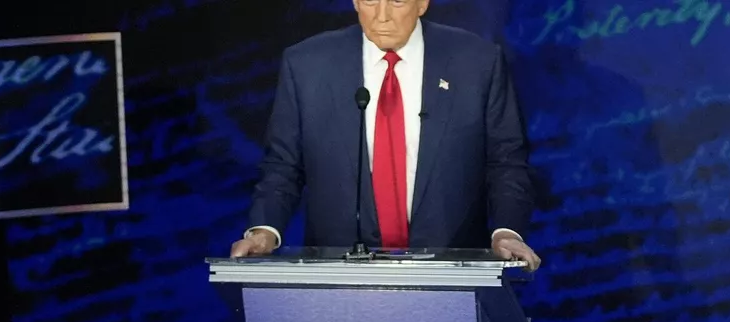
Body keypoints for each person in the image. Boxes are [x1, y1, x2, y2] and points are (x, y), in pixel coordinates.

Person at [229, 0, 540, 269]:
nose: (381, 16)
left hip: (451, 270)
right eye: (369, 2)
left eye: (397, 2)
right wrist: (265, 230)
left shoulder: (477, 62)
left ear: (423, 3)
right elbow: (283, 166)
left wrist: (506, 231)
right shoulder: (307, 65)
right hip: (338, 274)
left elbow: (506, 162)